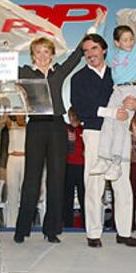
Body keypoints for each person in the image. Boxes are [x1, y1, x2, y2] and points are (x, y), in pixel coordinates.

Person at [71, 33, 136, 248]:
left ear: (104, 50)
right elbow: (81, 110)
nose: (90, 54)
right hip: (94, 134)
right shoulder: (78, 78)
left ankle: (124, 232)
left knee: (122, 184)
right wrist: (111, 112)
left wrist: (135, 103)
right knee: (94, 184)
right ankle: (93, 233)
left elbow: (132, 94)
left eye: (94, 49)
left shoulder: (118, 73)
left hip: (120, 133)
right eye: (86, 51)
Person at [14, 36, 84, 244]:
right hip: (35, 126)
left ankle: (52, 230)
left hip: (56, 126)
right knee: (31, 179)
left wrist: (94, 28)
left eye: (46, 52)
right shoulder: (25, 72)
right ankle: (22, 229)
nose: (42, 56)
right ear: (33, 55)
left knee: (56, 179)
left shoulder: (59, 72)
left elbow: (77, 55)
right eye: (38, 52)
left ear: (52, 54)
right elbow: (1, 62)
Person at [89, 8, 136, 182]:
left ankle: (116, 163)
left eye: (131, 39)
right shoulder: (114, 56)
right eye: (125, 40)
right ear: (117, 43)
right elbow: (97, 42)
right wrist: (100, 22)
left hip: (132, 90)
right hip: (117, 90)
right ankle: (103, 158)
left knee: (121, 125)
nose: (129, 42)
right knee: (109, 122)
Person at [63, 107, 85, 228]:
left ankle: (86, 224)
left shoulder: (84, 129)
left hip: (82, 166)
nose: (73, 116)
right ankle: (67, 225)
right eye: (72, 114)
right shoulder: (65, 129)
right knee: (68, 197)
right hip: (69, 165)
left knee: (83, 196)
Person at [5, 114, 27, 228]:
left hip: (25, 159)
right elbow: (3, 115)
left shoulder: (29, 126)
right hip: (12, 159)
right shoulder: (11, 125)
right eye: (17, 113)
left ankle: (23, 223)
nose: (19, 116)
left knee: (24, 191)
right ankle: (11, 224)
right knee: (12, 191)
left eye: (21, 114)